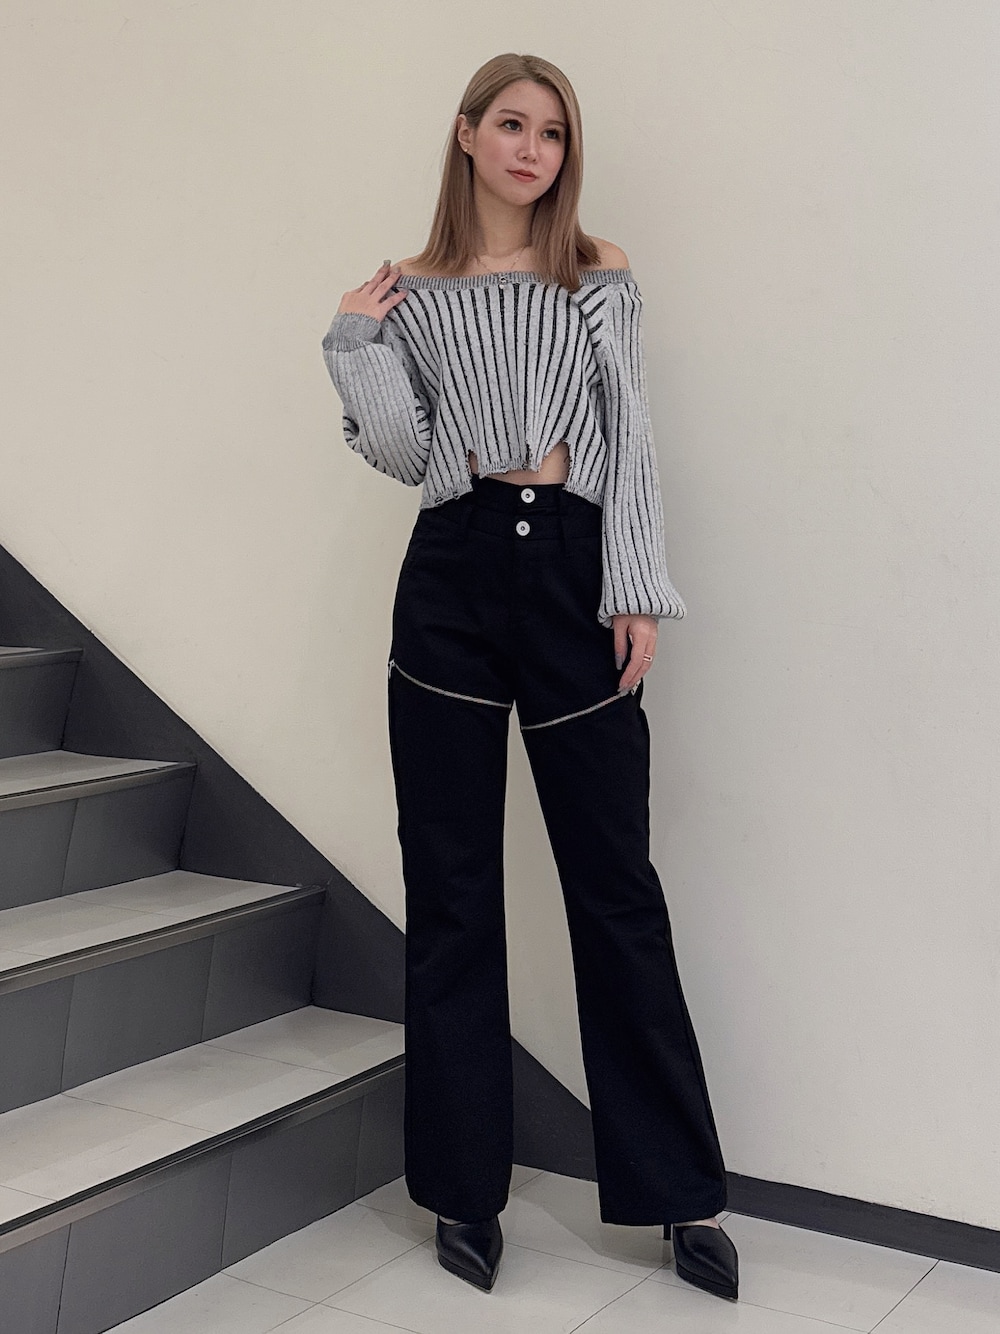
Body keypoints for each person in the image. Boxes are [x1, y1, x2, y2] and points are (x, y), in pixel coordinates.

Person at [321, 51, 739, 1304]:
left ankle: (678, 1192)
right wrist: (354, 338)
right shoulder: (412, 291)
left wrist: (635, 584)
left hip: (572, 567)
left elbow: (630, 429)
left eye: (551, 134)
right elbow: (404, 452)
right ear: (466, 135)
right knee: (451, 887)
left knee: (614, 885)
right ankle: (462, 1188)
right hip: (450, 574)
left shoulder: (594, 271)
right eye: (510, 125)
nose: (531, 151)